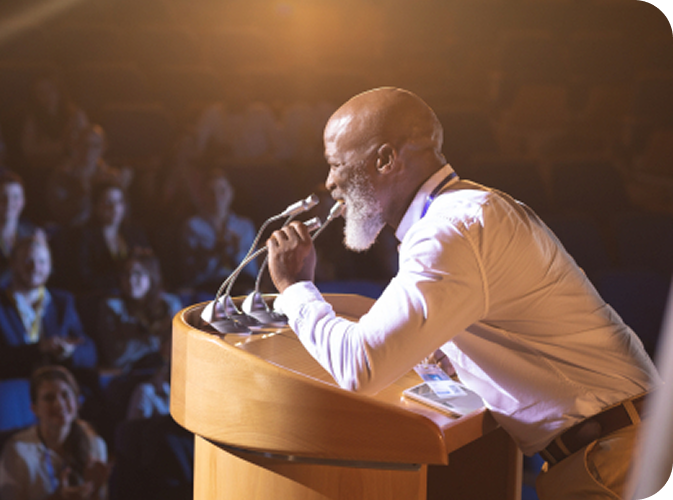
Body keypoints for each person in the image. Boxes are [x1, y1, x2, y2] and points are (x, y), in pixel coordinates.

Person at [265, 87, 660, 500]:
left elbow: (359, 366)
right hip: (613, 450)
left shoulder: (449, 231)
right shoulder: (463, 211)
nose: (330, 182)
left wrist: (295, 287)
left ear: (385, 160)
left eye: (336, 165)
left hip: (615, 462)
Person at [0, 234, 97, 379]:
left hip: (56, 383)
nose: (35, 268)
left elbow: (89, 351)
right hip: (17, 385)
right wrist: (39, 349)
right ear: (13, 264)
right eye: (28, 261)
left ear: (50, 266)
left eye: (42, 261)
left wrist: (69, 352)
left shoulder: (63, 302)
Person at [0, 365, 110, 500]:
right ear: (34, 408)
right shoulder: (17, 451)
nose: (59, 404)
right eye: (49, 398)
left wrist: (95, 491)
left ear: (76, 402)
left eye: (65, 395)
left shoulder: (95, 444)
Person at [53, 180, 150, 294]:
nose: (114, 207)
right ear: (96, 206)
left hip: (136, 292)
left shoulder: (135, 233)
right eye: (108, 202)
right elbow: (83, 276)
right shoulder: (83, 236)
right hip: (100, 294)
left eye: (119, 201)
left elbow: (149, 265)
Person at [96, 250, 181, 371]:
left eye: (138, 273)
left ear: (151, 275)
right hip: (132, 372)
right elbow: (116, 356)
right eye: (126, 274)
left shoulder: (170, 303)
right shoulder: (111, 306)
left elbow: (179, 346)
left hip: (167, 369)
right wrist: (155, 339)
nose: (131, 280)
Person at [180, 168, 257, 297]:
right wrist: (214, 253)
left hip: (240, 285)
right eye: (211, 192)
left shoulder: (244, 226)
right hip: (207, 287)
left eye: (222, 191)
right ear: (202, 196)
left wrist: (237, 252)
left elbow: (252, 272)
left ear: (231, 193)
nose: (217, 198)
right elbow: (190, 273)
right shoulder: (193, 226)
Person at [44, 124, 132, 227]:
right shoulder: (62, 176)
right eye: (85, 144)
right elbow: (59, 213)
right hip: (74, 231)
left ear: (104, 147)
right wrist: (83, 192)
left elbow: (125, 215)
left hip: (105, 231)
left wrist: (122, 189)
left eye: (96, 145)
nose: (89, 150)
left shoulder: (111, 178)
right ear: (76, 145)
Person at [20, 73, 89, 172]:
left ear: (59, 90)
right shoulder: (33, 119)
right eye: (41, 92)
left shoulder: (76, 115)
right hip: (42, 169)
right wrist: (60, 146)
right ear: (35, 96)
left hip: (73, 168)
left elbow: (86, 145)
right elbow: (28, 149)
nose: (47, 96)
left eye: (51, 90)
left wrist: (47, 147)